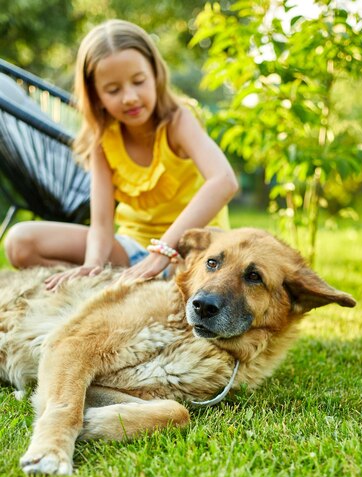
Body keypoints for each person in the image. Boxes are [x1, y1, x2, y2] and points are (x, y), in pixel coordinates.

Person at [5, 19, 238, 289]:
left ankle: (137, 286)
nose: (129, 97)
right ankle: (112, 285)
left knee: (209, 268)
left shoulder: (177, 121)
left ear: (155, 75)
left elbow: (224, 180)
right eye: (113, 90)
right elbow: (102, 225)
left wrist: (163, 251)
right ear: (96, 96)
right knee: (19, 242)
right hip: (132, 250)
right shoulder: (103, 139)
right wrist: (92, 264)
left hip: (192, 252)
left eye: (138, 81)